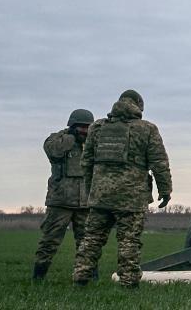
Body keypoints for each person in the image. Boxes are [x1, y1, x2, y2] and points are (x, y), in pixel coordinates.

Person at [71, 90, 172, 288]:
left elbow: (86, 162)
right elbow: (159, 163)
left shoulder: (97, 127)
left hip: (101, 196)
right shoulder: (147, 129)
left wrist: (93, 189)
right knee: (129, 241)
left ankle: (80, 279)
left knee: (91, 239)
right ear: (138, 106)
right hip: (131, 198)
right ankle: (129, 284)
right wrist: (165, 190)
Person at [32, 108, 95, 281]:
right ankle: (38, 277)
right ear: (73, 125)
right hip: (60, 202)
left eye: (87, 127)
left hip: (85, 203)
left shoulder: (93, 143)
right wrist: (71, 138)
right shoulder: (57, 139)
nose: (84, 130)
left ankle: (89, 277)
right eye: (81, 127)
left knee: (87, 243)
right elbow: (53, 151)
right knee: (49, 241)